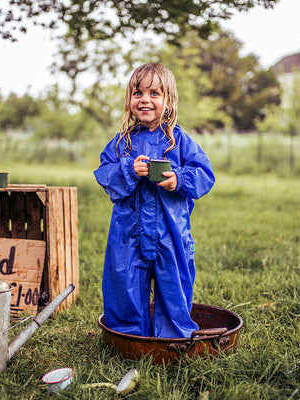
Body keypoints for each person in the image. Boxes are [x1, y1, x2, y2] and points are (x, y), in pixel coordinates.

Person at [94, 63, 215, 338]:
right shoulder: (121, 142)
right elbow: (104, 173)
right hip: (128, 235)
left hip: (170, 234)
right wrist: (128, 168)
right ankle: (127, 337)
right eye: (138, 93)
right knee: (124, 285)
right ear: (130, 99)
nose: (145, 99)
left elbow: (205, 174)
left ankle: (174, 338)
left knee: (174, 286)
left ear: (168, 101)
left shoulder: (179, 141)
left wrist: (179, 179)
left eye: (154, 93)